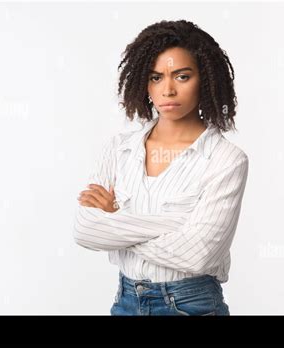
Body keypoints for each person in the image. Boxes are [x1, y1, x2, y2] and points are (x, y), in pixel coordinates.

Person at [74, 20, 249, 316]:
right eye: (155, 78)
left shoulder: (226, 160)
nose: (167, 90)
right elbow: (85, 229)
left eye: (182, 76)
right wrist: (174, 225)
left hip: (192, 305)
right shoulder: (118, 149)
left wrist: (118, 219)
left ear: (204, 79)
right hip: (126, 301)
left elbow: (199, 255)